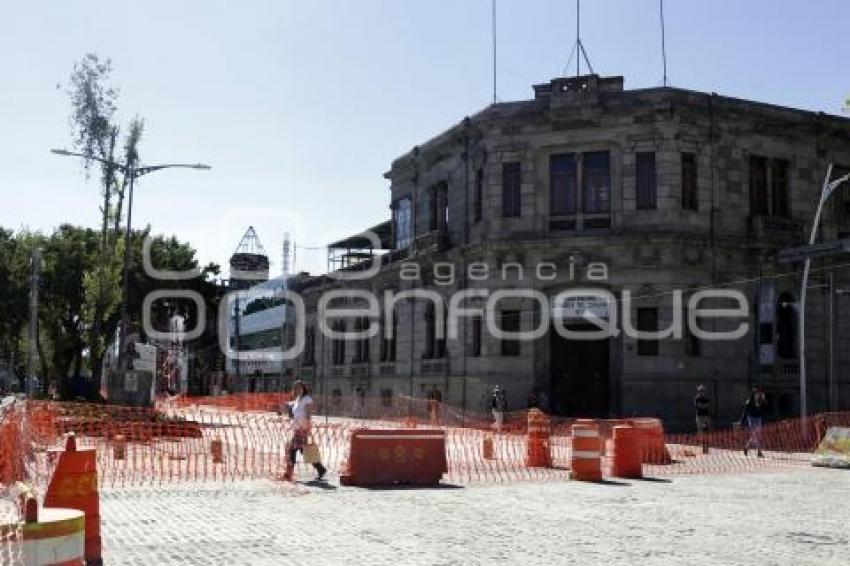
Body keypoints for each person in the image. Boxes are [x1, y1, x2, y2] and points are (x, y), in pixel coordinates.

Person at [283, 380, 327, 481]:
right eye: (295, 388)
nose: (297, 389)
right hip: (297, 428)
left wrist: (306, 427)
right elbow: (293, 415)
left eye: (299, 387)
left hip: (302, 428)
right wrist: (288, 408)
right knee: (304, 450)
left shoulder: (307, 399)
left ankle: (289, 473)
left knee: (292, 450)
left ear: (303, 388)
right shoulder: (297, 399)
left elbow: (307, 414)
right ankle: (320, 468)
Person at [741, 386, 768, 457]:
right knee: (755, 435)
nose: (758, 395)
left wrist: (764, 400)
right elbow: (744, 412)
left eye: (759, 394)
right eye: (756, 394)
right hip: (751, 418)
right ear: (753, 394)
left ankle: (746, 447)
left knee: (756, 435)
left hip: (758, 418)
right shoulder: (749, 402)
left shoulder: (761, 401)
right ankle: (759, 451)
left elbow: (765, 409)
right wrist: (742, 421)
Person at [694, 384, 711, 454]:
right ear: (698, 391)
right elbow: (698, 406)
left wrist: (702, 406)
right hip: (699, 416)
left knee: (707, 430)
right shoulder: (696, 398)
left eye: (703, 391)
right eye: (700, 391)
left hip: (706, 416)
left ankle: (706, 446)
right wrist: (702, 406)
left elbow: (706, 405)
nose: (702, 392)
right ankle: (702, 445)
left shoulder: (706, 398)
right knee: (700, 430)